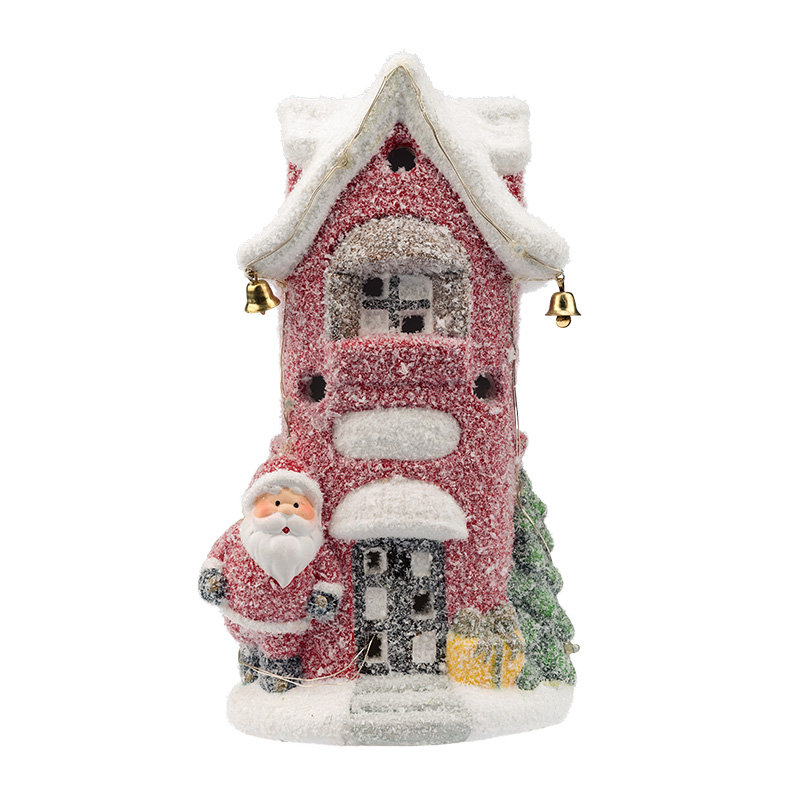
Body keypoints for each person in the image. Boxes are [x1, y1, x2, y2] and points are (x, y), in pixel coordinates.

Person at [199, 457, 342, 691]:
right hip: (240, 619)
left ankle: (279, 677)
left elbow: (329, 575)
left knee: (280, 653)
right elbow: (216, 556)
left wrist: (325, 597)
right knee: (248, 648)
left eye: (296, 505)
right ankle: (250, 666)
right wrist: (211, 577)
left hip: (286, 628)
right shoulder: (238, 533)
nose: (286, 510)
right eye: (276, 502)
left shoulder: (315, 545)